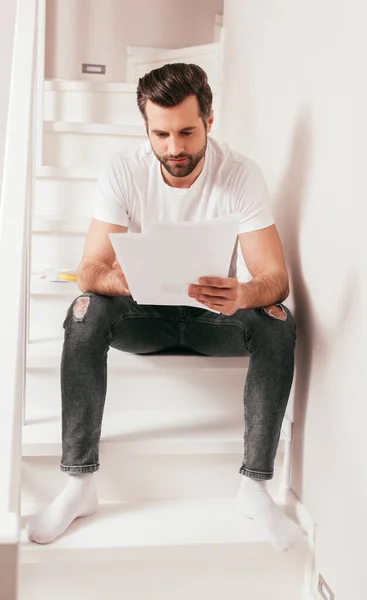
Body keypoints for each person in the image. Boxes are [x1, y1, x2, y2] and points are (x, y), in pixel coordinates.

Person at [26, 63, 302, 551]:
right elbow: (89, 268)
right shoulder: (123, 170)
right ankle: (79, 483)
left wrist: (242, 293)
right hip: (142, 317)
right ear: (146, 129)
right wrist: (120, 278)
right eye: (161, 133)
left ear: (210, 122)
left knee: (279, 320)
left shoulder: (240, 174)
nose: (175, 148)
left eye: (187, 132)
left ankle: (255, 487)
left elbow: (275, 279)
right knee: (85, 308)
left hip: (213, 318)